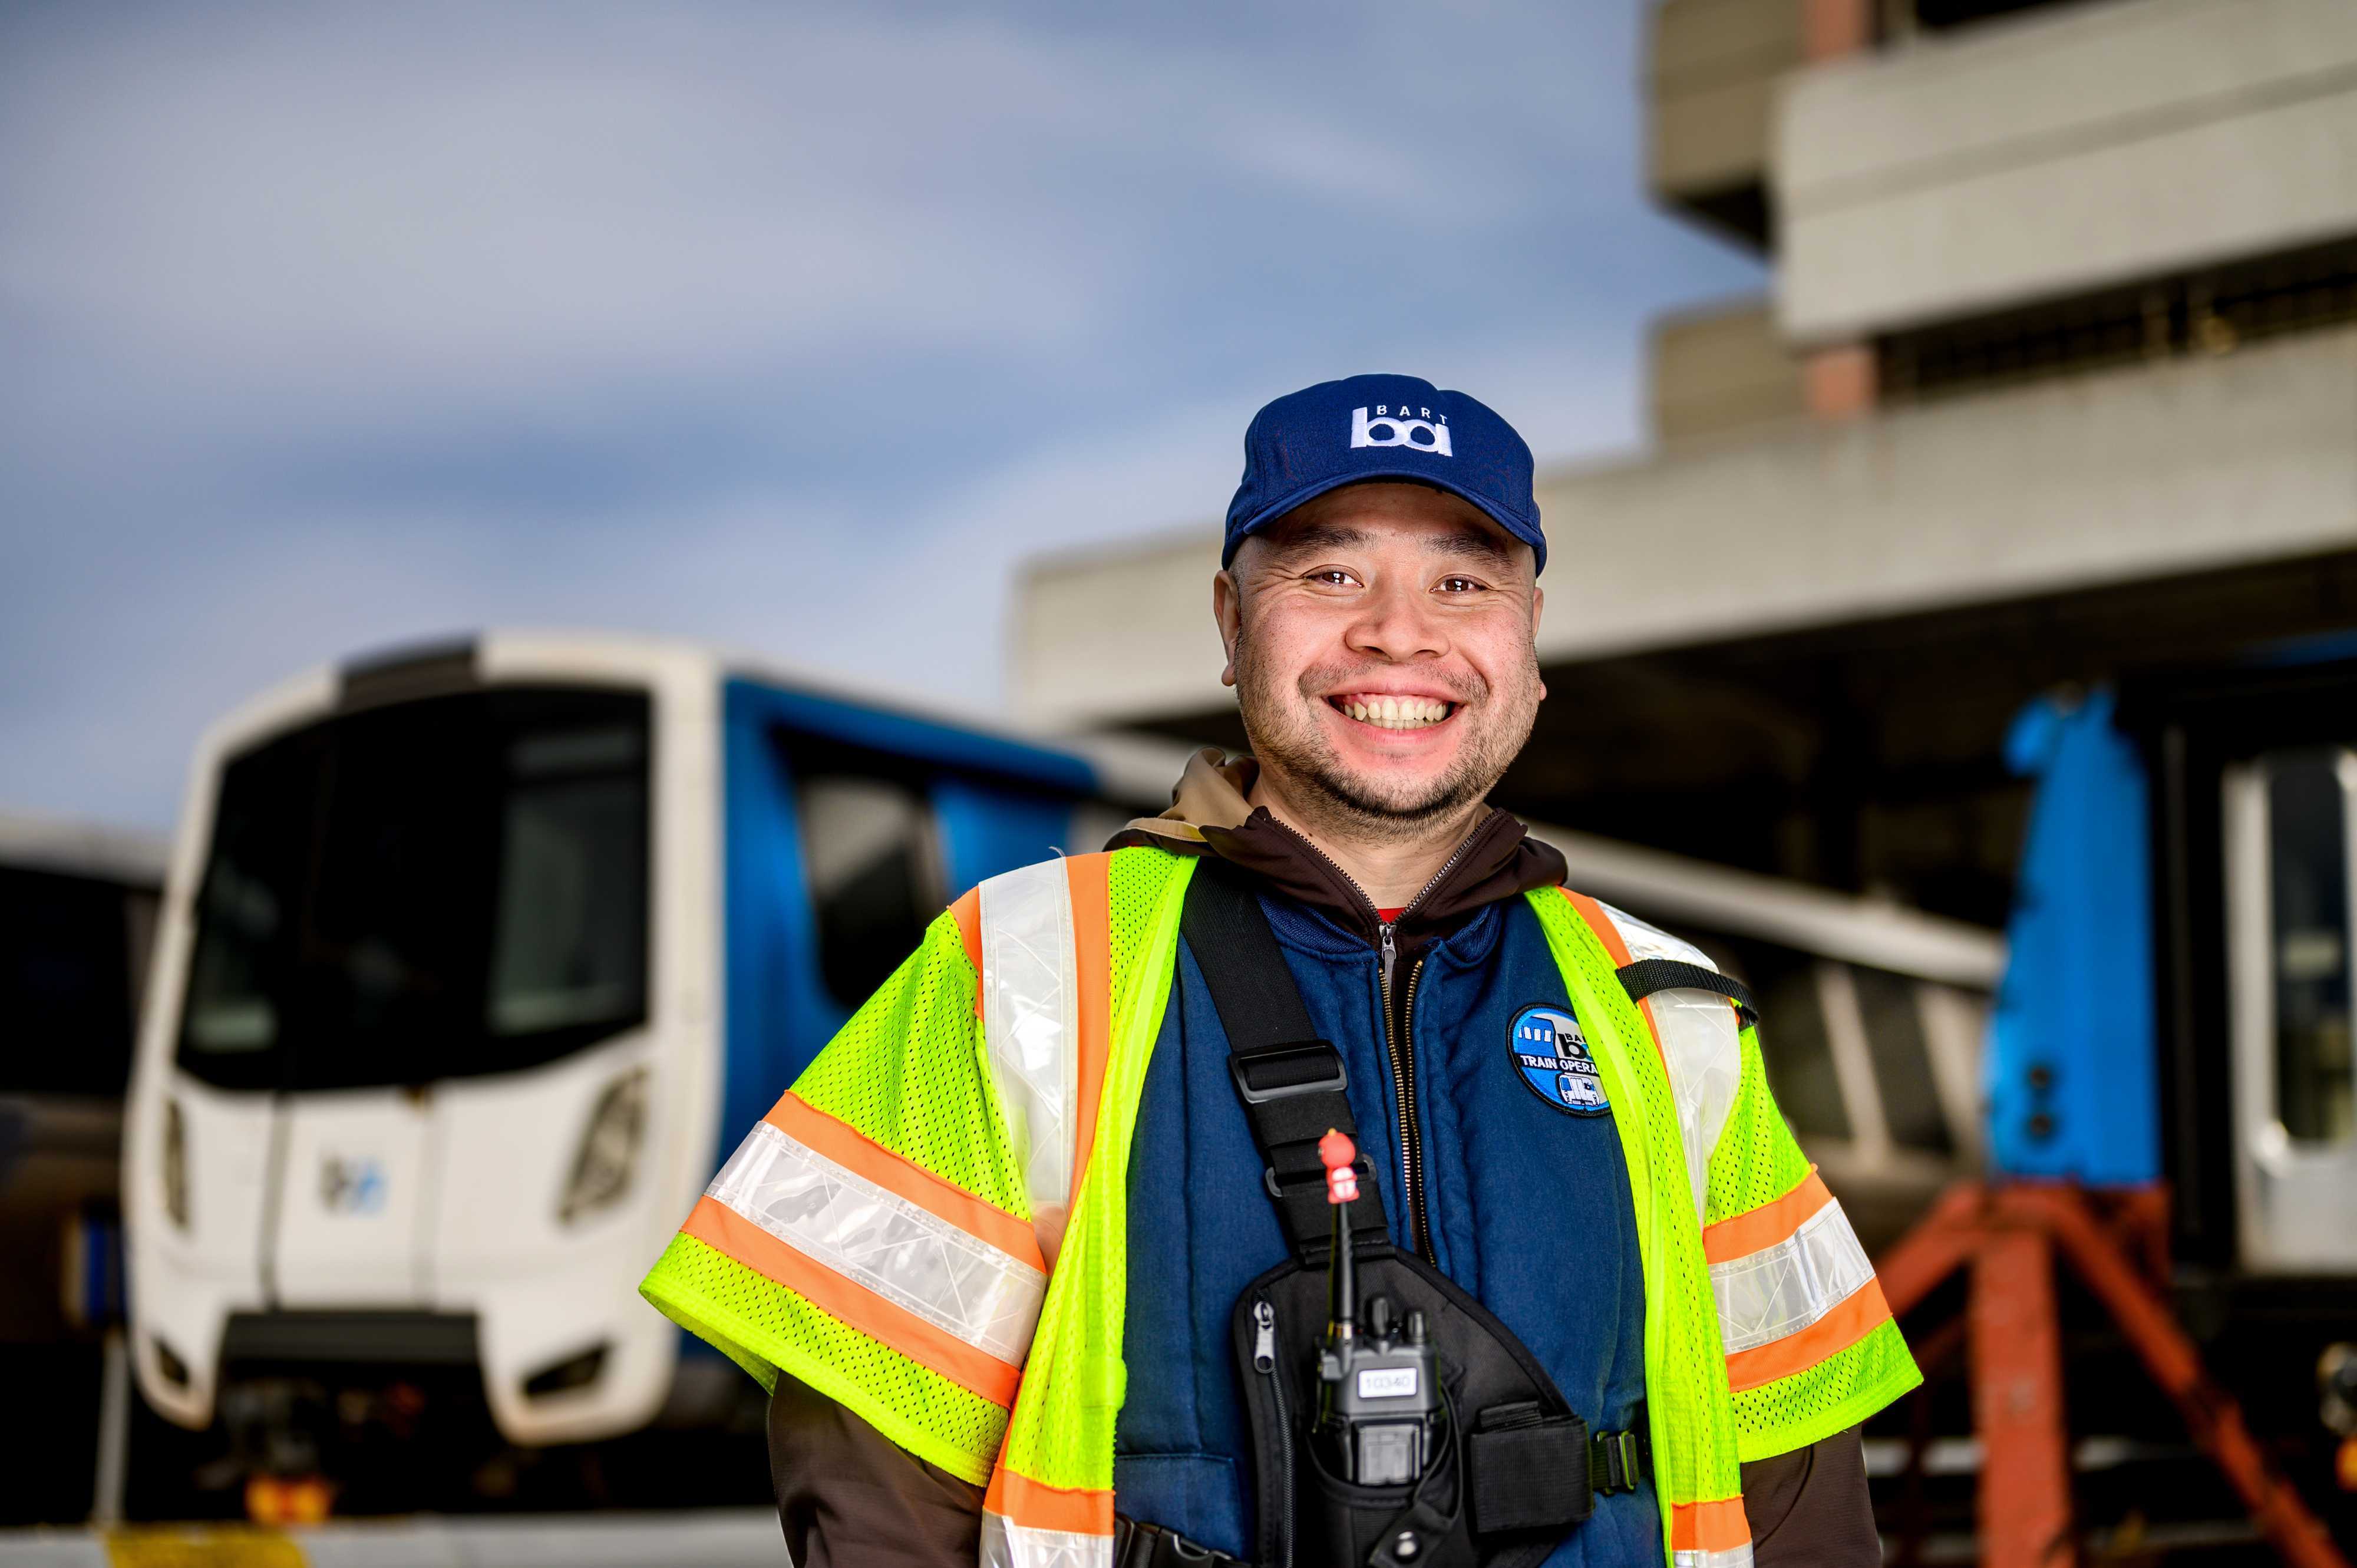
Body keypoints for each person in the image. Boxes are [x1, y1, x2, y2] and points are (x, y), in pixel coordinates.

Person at [641, 375, 1919, 1567]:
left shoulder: (1666, 1003)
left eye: (1464, 582)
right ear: (1230, 621)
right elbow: (871, 1473)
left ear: (1529, 645)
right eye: (1328, 570)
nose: (1397, 634)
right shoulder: (1017, 967)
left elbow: (1798, 1461)